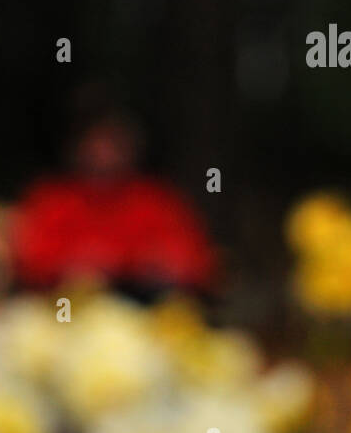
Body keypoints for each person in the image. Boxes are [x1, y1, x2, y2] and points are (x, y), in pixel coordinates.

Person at [11, 96, 220, 301]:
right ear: (77, 147)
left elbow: (199, 264)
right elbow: (26, 262)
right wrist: (73, 267)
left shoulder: (158, 200)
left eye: (115, 143)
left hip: (145, 316)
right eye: (96, 143)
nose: (104, 153)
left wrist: (165, 266)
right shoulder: (51, 199)